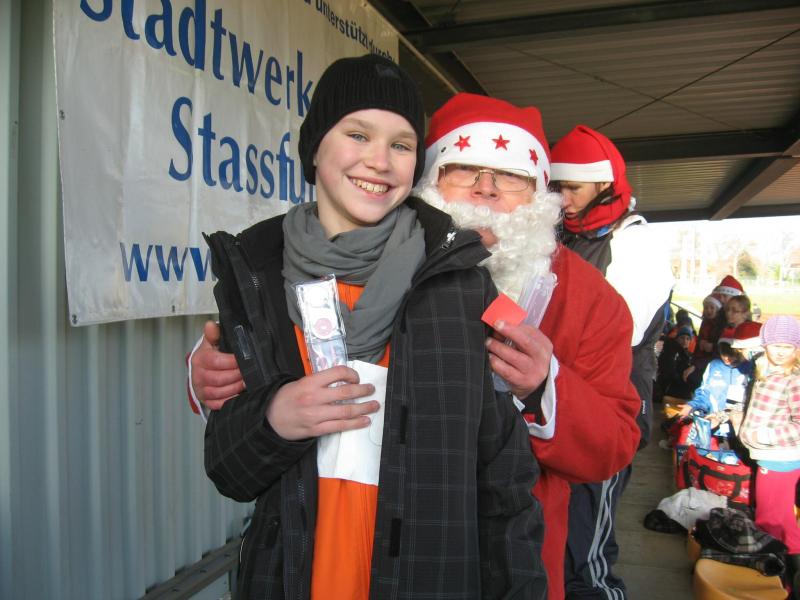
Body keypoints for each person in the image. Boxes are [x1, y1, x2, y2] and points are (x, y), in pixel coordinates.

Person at [191, 91, 642, 600]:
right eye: (463, 169)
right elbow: (264, 373)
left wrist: (546, 388)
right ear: (428, 180)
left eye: (511, 176)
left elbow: (613, 446)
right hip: (338, 541)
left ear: (540, 192)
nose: (486, 189)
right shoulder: (357, 251)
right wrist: (212, 373)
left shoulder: (592, 299)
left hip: (509, 559)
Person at [550, 125, 674, 599]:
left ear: (604, 184)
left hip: (606, 409)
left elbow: (620, 330)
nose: (562, 200)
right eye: (556, 188)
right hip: (555, 398)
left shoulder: (635, 243)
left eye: (572, 188)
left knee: (585, 551)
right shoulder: (564, 236)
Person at [736, 315, 800, 596]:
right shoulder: (765, 371)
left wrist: (764, 435)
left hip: (781, 460)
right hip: (768, 457)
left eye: (788, 347)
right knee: (779, 518)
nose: (781, 352)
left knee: (770, 521)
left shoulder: (793, 380)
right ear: (765, 344)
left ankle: (780, 581)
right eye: (775, 345)